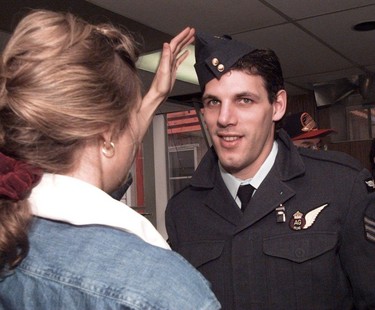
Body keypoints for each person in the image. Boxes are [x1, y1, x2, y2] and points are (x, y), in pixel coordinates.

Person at [0, 10, 220, 309]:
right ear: (107, 134)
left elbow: (91, 182)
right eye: (130, 118)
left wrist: (154, 96)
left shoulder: (13, 235)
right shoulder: (163, 288)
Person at [166, 31, 375, 309]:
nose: (225, 119)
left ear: (277, 106)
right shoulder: (184, 210)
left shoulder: (342, 186)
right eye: (213, 102)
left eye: (244, 100)